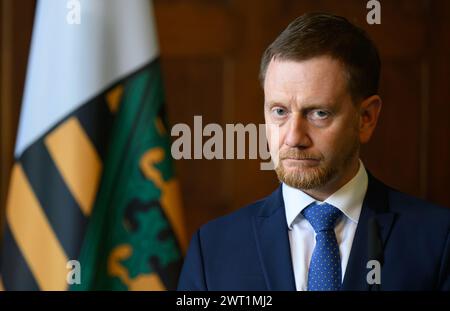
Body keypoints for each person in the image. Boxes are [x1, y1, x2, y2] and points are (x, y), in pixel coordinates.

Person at [177, 13, 450, 291]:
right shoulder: (211, 249)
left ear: (366, 118)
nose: (294, 137)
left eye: (319, 113)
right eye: (280, 111)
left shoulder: (439, 240)